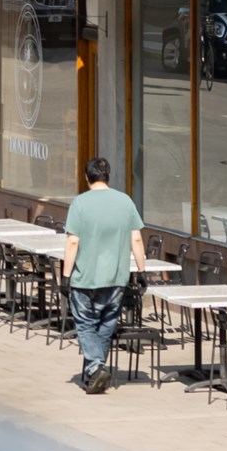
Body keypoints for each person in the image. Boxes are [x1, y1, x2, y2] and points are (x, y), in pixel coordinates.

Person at [60, 157, 148, 395]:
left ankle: (96, 366)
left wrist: (65, 275)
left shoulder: (79, 203)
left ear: (87, 177)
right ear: (108, 176)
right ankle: (95, 372)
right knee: (107, 323)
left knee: (85, 324)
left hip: (84, 277)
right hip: (116, 278)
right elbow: (136, 238)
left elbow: (73, 241)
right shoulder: (125, 201)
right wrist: (141, 271)